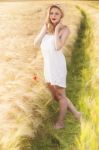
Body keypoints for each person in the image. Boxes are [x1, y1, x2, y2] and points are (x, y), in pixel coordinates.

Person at [33, 4, 82, 129]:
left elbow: (58, 46)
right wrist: (46, 29)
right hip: (48, 66)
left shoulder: (65, 30)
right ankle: (76, 114)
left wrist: (56, 31)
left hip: (57, 66)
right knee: (57, 96)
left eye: (57, 14)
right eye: (51, 13)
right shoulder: (46, 27)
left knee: (60, 96)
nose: (53, 16)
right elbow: (36, 43)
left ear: (61, 16)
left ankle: (60, 123)